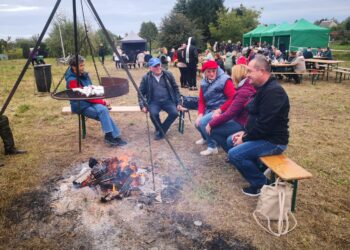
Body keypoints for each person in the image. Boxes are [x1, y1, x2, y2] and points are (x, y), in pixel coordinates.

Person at [228, 55, 290, 196]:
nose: (247, 75)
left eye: (250, 71)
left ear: (261, 71)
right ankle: (257, 169)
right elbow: (256, 119)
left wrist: (244, 138)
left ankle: (262, 185)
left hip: (274, 142)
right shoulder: (263, 88)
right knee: (229, 140)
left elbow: (264, 126)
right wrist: (244, 133)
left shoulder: (274, 92)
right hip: (263, 136)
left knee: (234, 154)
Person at [65, 55, 127, 147]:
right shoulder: (72, 81)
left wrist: (101, 99)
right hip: (81, 105)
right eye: (81, 66)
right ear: (74, 67)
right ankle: (111, 136)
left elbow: (91, 90)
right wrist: (103, 102)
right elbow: (86, 95)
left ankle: (111, 136)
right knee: (103, 111)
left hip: (89, 102)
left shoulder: (83, 75)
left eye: (83, 65)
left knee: (103, 110)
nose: (83, 67)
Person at [205, 64, 256, 152]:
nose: (231, 77)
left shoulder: (244, 91)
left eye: (232, 74)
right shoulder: (245, 86)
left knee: (212, 130)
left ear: (237, 75)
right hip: (241, 119)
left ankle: (231, 152)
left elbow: (230, 113)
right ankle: (232, 150)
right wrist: (219, 111)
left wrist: (211, 124)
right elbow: (231, 106)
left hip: (242, 122)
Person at [195, 60, 236, 156]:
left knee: (204, 122)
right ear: (204, 72)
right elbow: (201, 100)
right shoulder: (203, 82)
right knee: (197, 122)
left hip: (223, 109)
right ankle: (206, 138)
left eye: (214, 70)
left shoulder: (225, 79)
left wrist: (220, 109)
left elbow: (232, 98)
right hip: (210, 108)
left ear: (217, 70)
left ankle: (212, 147)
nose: (212, 73)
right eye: (208, 71)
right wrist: (200, 114)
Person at [138, 58, 183, 140]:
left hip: (168, 101)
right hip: (153, 101)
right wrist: (142, 105)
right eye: (155, 66)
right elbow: (140, 93)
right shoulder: (146, 78)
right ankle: (161, 130)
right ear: (150, 68)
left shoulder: (168, 74)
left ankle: (161, 130)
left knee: (174, 113)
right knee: (153, 114)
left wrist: (179, 103)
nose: (158, 67)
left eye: (159, 65)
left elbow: (176, 89)